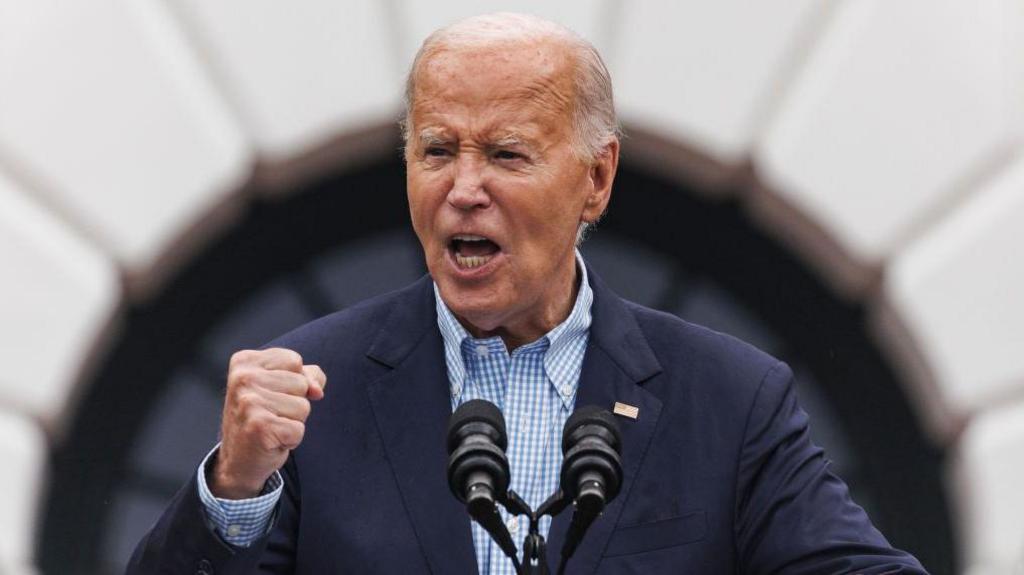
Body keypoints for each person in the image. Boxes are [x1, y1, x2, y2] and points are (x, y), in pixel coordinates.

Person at [128, 12, 927, 575]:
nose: (464, 188)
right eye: (438, 149)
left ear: (596, 178)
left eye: (507, 154)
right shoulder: (313, 391)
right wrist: (235, 483)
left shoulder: (727, 399)